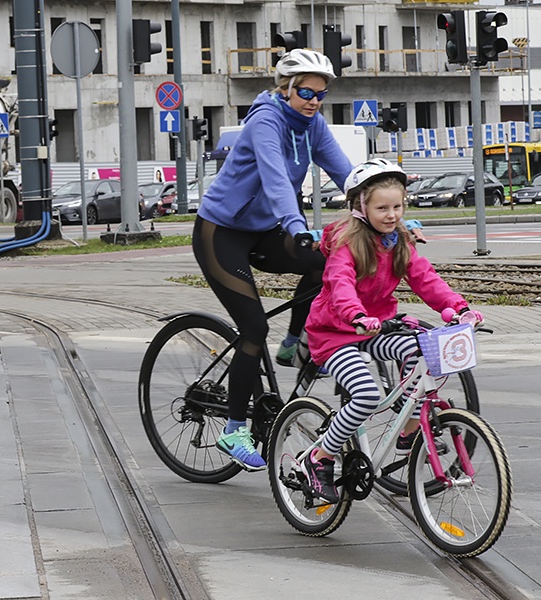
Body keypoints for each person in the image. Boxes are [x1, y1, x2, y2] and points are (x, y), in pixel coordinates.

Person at [192, 49, 354, 471]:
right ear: (285, 89)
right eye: (304, 92)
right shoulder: (265, 120)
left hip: (266, 231)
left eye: (320, 94)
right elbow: (275, 177)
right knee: (253, 327)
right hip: (221, 233)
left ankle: (294, 346)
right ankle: (233, 429)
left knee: (325, 261)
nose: (313, 101)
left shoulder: (313, 125)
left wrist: (380, 201)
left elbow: (346, 173)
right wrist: (296, 224)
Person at [301, 159, 483, 503]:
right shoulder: (347, 244)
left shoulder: (399, 242)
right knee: (366, 395)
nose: (391, 215)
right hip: (335, 334)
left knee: (420, 350)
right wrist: (356, 315)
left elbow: (426, 280)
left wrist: (460, 308)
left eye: (397, 207)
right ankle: (320, 457)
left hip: (376, 330)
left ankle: (409, 430)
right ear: (360, 207)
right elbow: (340, 286)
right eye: (382, 208)